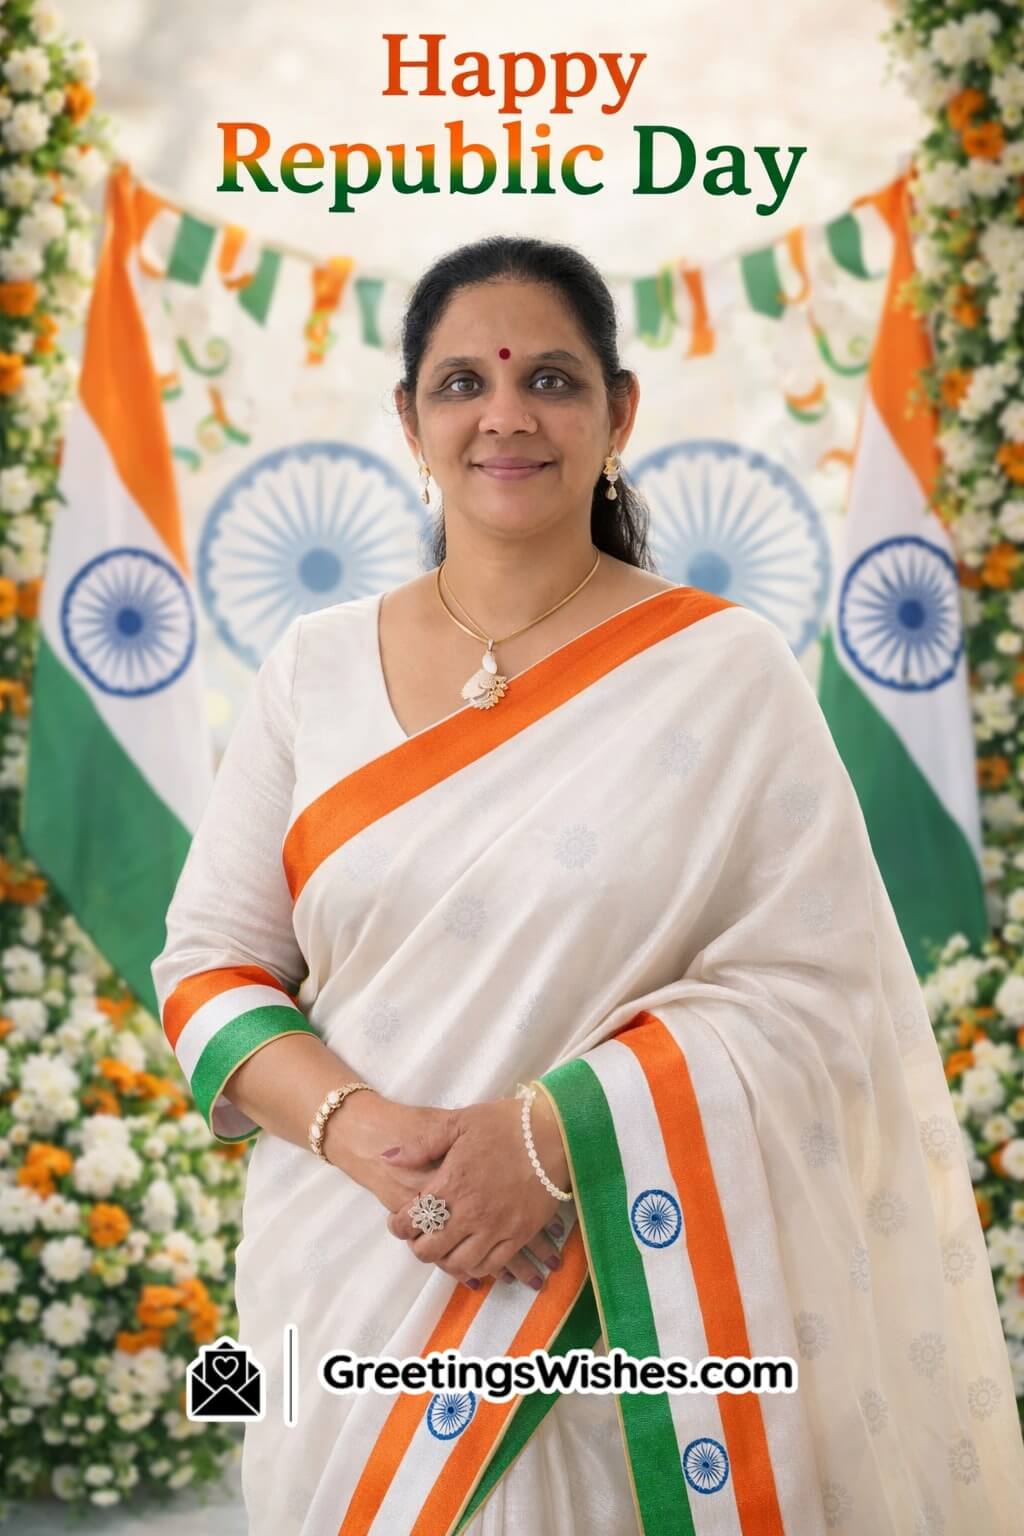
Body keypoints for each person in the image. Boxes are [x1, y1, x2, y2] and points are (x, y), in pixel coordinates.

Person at [152, 235, 1024, 1536]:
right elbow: (209, 968)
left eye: (550, 380)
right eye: (463, 383)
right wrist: (367, 1136)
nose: (506, 414)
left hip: (626, 1300)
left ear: (618, 413)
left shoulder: (722, 673)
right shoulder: (311, 670)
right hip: (357, 1275)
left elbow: (824, 994)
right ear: (411, 422)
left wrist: (552, 1136)